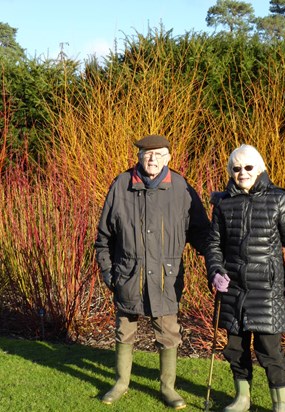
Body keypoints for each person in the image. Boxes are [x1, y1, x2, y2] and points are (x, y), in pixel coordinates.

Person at [94, 134, 210, 409]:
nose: (152, 158)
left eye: (158, 154)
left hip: (165, 279)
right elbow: (103, 238)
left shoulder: (181, 187)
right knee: (125, 331)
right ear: (138, 156)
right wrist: (110, 274)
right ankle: (121, 383)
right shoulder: (122, 184)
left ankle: (167, 387)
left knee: (169, 332)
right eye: (147, 153)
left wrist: (216, 261)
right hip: (128, 275)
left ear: (169, 157)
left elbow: (201, 232)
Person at [205, 144, 285, 412]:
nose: (242, 173)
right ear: (230, 171)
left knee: (270, 352)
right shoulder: (223, 203)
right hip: (233, 289)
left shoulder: (279, 200)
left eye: (248, 167)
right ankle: (242, 398)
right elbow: (213, 244)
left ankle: (281, 405)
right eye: (236, 168)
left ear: (260, 168)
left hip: (268, 290)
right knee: (235, 348)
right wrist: (215, 271)